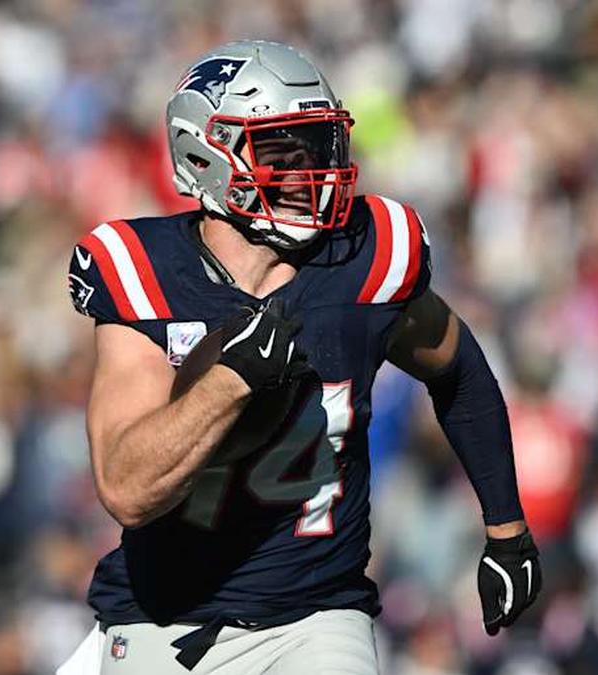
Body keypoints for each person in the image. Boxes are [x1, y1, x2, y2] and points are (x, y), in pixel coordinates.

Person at [57, 40, 540, 674]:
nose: (310, 169)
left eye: (317, 145)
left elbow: (460, 370)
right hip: (164, 616)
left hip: (316, 614)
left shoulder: (364, 258)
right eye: (281, 150)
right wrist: (229, 383)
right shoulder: (143, 273)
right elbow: (127, 488)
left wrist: (507, 529)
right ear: (207, 156)